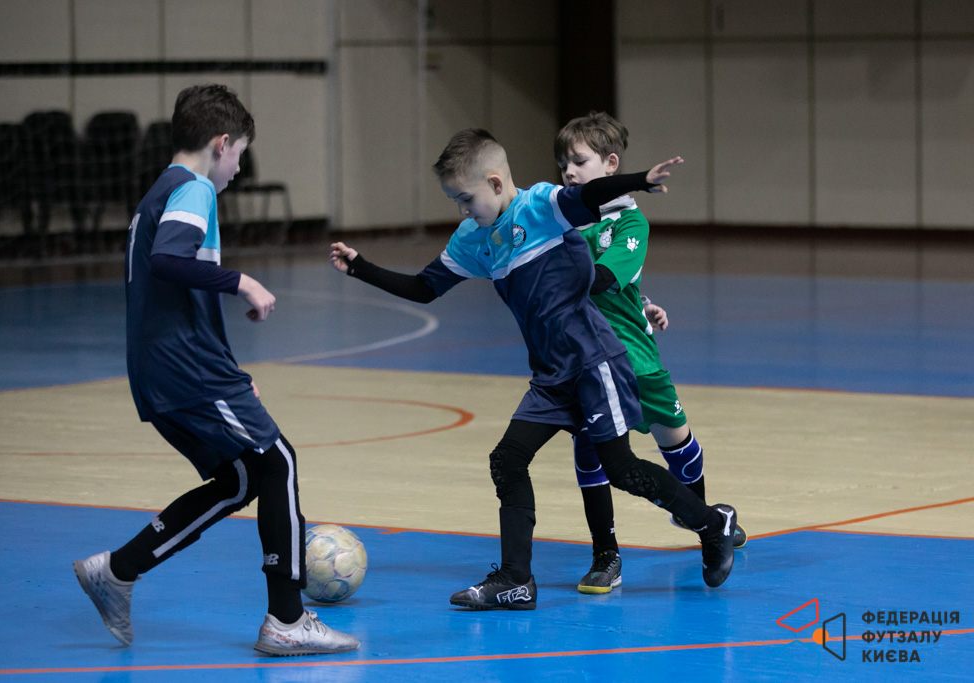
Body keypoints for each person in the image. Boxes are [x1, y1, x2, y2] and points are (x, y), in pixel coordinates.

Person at [330, 128, 738, 610]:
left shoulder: (541, 206)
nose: (462, 210)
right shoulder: (472, 239)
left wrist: (638, 181)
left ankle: (711, 525)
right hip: (550, 375)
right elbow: (424, 288)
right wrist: (361, 268)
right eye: (455, 201)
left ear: (496, 183)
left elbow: (587, 195)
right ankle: (516, 580)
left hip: (593, 361)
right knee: (507, 459)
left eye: (466, 199)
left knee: (622, 469)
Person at [72, 84, 357, 656]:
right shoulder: (195, 188)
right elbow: (169, 261)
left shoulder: (159, 191)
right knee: (278, 462)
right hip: (183, 366)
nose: (239, 169)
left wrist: (231, 373)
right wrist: (242, 281)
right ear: (221, 143)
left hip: (163, 368)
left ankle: (119, 569)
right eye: (240, 155)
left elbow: (173, 295)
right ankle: (287, 619)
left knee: (241, 479)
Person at [555, 112, 747, 595]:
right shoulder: (563, 218)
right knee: (589, 452)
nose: (569, 172)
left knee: (676, 442)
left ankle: (705, 522)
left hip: (635, 361)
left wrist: (632, 303)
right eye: (563, 164)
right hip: (585, 360)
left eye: (579, 161)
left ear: (610, 164)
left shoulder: (629, 221)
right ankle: (606, 556)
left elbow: (602, 279)